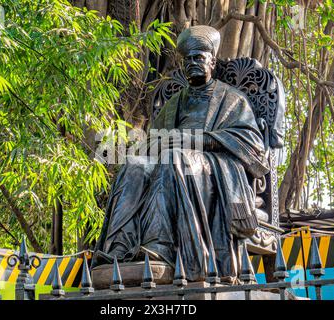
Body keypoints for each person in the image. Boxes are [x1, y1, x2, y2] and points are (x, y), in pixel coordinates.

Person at [91, 25, 269, 283]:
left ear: (212, 61)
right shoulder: (174, 103)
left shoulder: (233, 99)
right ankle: (119, 247)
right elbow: (155, 142)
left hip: (211, 165)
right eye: (188, 59)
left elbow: (253, 147)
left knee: (172, 159)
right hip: (175, 160)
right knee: (134, 165)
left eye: (198, 57)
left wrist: (195, 141)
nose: (192, 63)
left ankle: (158, 246)